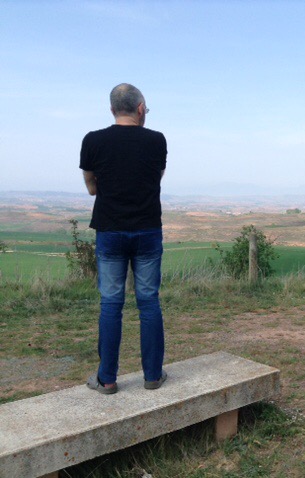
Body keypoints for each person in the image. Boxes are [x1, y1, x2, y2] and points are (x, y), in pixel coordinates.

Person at [81, 83, 167, 394]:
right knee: (149, 302)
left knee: (111, 304)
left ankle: (107, 379)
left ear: (112, 109)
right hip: (147, 230)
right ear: (141, 109)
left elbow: (92, 187)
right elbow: (154, 179)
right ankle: (153, 376)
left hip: (110, 231)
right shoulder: (157, 140)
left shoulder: (93, 140)